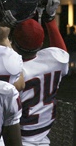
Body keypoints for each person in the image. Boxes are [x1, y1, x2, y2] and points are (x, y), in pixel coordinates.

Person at [11, 18, 69, 146]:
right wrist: (51, 20)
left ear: (13, 43)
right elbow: (62, 53)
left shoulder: (14, 72)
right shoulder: (53, 60)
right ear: (41, 44)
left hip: (17, 139)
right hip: (42, 137)